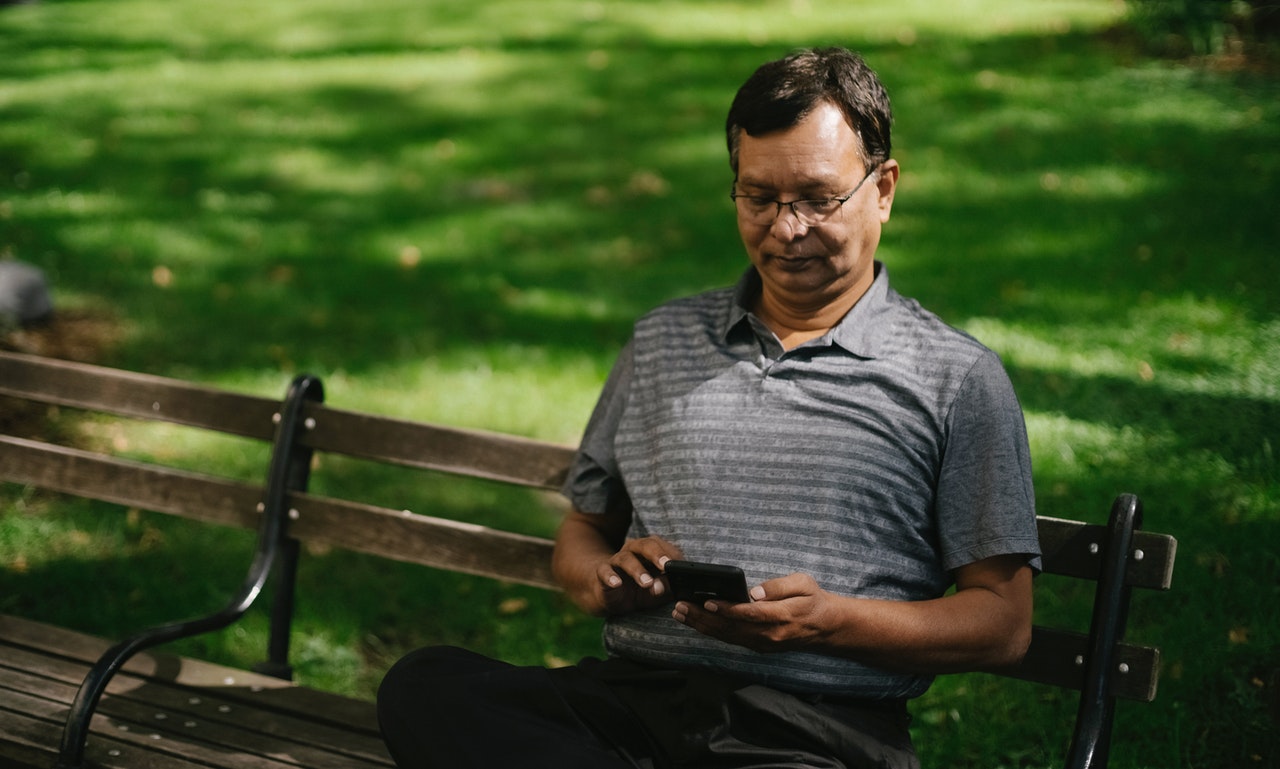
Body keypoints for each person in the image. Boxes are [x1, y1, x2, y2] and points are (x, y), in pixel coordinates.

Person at [377, 46, 1041, 769]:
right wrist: (606, 579)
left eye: (818, 198)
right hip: (629, 705)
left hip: (812, 733)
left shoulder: (955, 377)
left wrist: (829, 623)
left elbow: (1002, 623)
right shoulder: (663, 338)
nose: (786, 229)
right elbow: (582, 531)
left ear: (882, 189)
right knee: (427, 683)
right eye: (758, 197)